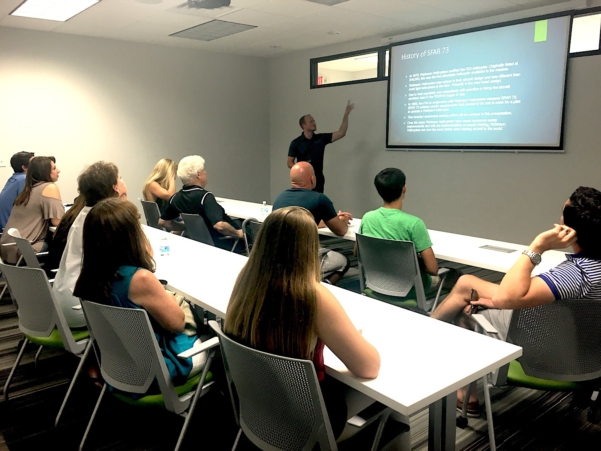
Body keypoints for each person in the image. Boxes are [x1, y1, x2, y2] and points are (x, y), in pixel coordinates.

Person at [431, 186, 601, 415]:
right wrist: (496, 301)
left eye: (562, 211)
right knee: (473, 290)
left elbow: (506, 296)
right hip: (589, 358)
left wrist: (537, 246)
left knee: (465, 302)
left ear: (568, 229)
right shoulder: (586, 272)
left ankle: (465, 398)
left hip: (549, 356)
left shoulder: (576, 274)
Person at [224, 206, 380, 438]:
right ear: (309, 247)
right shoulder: (313, 296)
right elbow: (369, 367)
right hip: (306, 420)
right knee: (383, 397)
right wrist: (352, 338)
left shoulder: (247, 281)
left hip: (258, 406)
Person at [73, 198, 206, 386]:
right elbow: (177, 324)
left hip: (119, 366)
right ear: (130, 235)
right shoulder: (140, 279)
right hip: (155, 370)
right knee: (219, 343)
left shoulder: (90, 275)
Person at [52, 162, 127, 328]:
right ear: (114, 188)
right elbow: (139, 260)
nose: (123, 181)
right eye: (120, 178)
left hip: (62, 301)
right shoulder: (106, 220)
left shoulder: (85, 214)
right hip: (82, 307)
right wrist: (126, 204)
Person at [358, 168, 445, 297]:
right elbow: (433, 269)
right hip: (409, 289)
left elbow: (357, 251)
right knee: (454, 276)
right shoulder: (414, 224)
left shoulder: (367, 218)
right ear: (404, 188)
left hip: (376, 283)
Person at [272, 162, 351, 284]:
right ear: (312, 179)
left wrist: (327, 220)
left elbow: (299, 222)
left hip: (279, 260)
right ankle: (318, 289)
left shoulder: (280, 198)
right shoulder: (319, 199)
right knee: (343, 261)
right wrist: (343, 220)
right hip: (304, 259)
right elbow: (341, 231)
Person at [159, 155, 243, 251]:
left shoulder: (175, 198)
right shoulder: (206, 197)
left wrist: (187, 227)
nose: (206, 172)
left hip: (198, 242)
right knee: (249, 227)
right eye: (203, 170)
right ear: (198, 174)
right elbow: (219, 225)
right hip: (223, 243)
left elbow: (163, 222)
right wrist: (238, 234)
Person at [0, 157, 63, 264]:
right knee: (62, 244)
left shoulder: (29, 189)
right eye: (54, 168)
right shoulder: (50, 187)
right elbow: (57, 222)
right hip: (25, 250)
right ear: (44, 171)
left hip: (7, 248)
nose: (58, 170)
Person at [287, 101, 354, 193]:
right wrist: (300, 171)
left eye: (314, 121)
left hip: (318, 179)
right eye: (311, 121)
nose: (314, 123)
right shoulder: (296, 143)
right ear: (304, 125)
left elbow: (341, 133)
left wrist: (346, 115)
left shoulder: (321, 139)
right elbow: (289, 162)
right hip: (302, 181)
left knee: (316, 204)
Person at [0, 151, 35, 231]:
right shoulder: (24, 179)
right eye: (33, 164)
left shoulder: (15, 178)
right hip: (11, 231)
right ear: (24, 167)